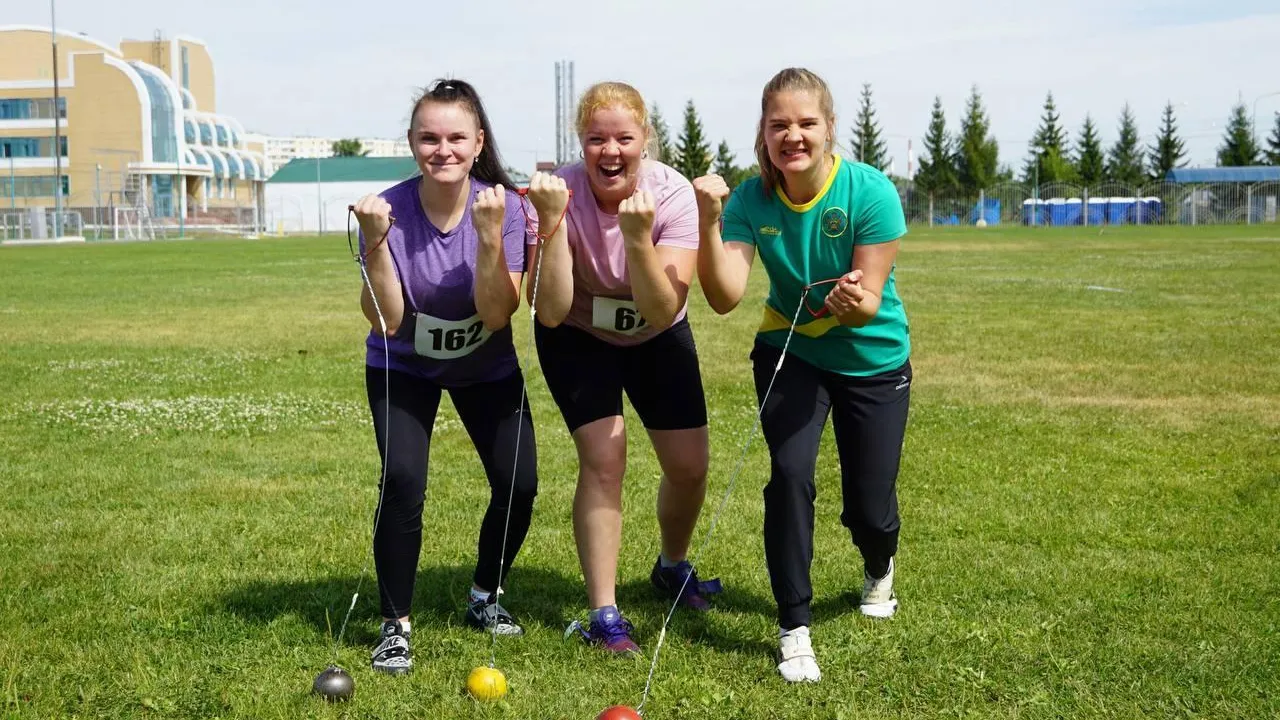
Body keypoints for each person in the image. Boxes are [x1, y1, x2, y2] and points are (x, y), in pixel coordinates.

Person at [693, 67, 912, 683]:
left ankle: (879, 563)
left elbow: (869, 301)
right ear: (762, 134)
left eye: (806, 123)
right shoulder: (748, 198)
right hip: (790, 353)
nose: (793, 135)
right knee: (789, 476)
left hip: (873, 359)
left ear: (829, 128)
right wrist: (709, 222)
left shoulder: (870, 192)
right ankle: (794, 627)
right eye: (778, 125)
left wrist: (852, 300)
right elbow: (726, 295)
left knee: (870, 506)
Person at [522, 81, 720, 654]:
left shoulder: (674, 195)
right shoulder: (558, 192)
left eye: (623, 139)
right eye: (596, 139)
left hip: (658, 332)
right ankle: (604, 613)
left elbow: (663, 308)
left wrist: (637, 238)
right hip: (578, 334)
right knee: (605, 459)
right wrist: (553, 223)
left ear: (645, 141)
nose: (610, 151)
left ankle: (670, 565)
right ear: (580, 143)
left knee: (689, 467)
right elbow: (551, 310)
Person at [350, 78, 538, 675]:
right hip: (403, 363)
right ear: (412, 143)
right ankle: (395, 626)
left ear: (479, 141)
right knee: (403, 480)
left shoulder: (504, 208)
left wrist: (487, 238)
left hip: (486, 364)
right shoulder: (387, 208)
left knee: (520, 484)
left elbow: (496, 313)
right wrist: (377, 245)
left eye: (457, 137)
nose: (444, 149)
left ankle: (485, 595)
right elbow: (388, 318)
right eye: (429, 138)